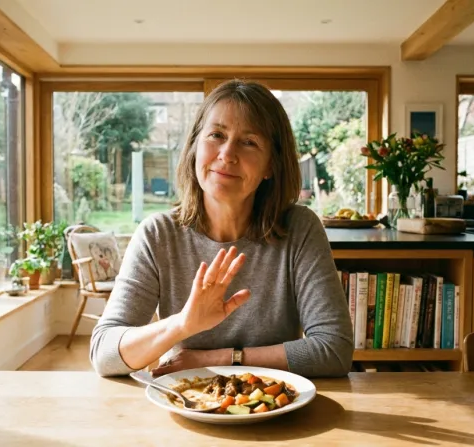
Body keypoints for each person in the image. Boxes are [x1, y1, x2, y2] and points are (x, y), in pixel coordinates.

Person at [90, 79, 353, 378]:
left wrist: (218, 360)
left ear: (271, 166)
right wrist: (182, 324)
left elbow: (335, 349)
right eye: (216, 135)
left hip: (275, 410)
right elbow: (103, 354)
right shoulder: (158, 235)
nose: (227, 154)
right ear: (194, 148)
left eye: (249, 142)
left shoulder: (300, 229)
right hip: (184, 405)